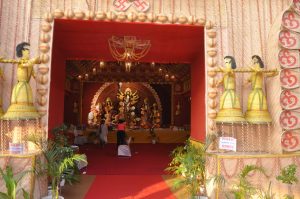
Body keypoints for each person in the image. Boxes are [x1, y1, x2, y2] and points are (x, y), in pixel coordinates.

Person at [0, 42, 40, 119]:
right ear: (22, 51)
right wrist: (34, 60)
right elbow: (26, 65)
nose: (28, 52)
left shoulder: (30, 65)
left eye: (28, 50)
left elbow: (34, 74)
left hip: (26, 87)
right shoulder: (21, 62)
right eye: (26, 50)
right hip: (21, 86)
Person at [244, 55, 278, 123]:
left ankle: (260, 117)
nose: (254, 61)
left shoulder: (260, 71)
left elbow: (261, 71)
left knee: (259, 103)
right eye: (253, 60)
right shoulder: (254, 73)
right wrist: (246, 82)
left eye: (255, 60)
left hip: (258, 90)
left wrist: (274, 73)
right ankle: (251, 117)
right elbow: (250, 78)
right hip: (254, 91)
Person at [215, 56, 245, 122]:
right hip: (226, 92)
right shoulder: (226, 72)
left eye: (228, 62)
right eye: (225, 62)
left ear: (231, 63)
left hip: (231, 92)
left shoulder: (231, 71)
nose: (226, 64)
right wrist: (218, 82)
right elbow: (223, 79)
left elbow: (228, 71)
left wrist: (219, 67)